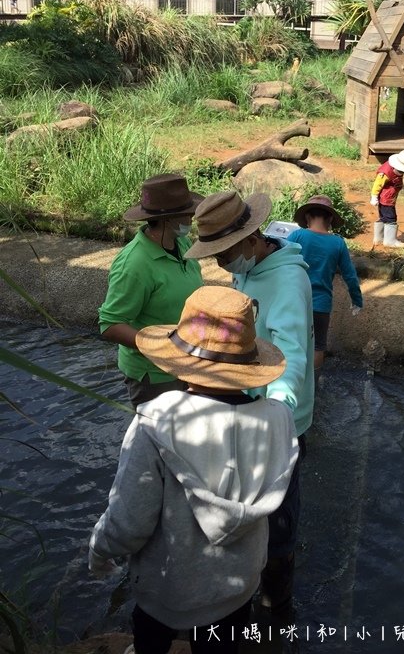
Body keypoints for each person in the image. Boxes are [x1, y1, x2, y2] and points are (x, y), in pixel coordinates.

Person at [89, 285, 298, 654]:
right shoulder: (277, 419)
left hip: (167, 590)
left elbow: (130, 520)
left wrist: (100, 549)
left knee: (150, 639)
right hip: (237, 586)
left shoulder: (158, 419)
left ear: (180, 362)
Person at [185, 190, 314, 615]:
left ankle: (277, 603)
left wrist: (277, 412)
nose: (221, 264)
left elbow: (292, 356)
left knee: (279, 519)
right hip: (247, 405)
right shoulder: (250, 267)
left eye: (225, 253)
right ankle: (247, 588)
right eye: (215, 255)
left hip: (280, 417)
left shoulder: (287, 280)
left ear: (252, 236)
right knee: (245, 509)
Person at [98, 173, 204, 408]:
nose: (192, 216)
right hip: (154, 375)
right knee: (160, 442)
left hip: (188, 364)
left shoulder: (181, 243)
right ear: (168, 219)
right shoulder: (134, 265)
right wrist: (161, 347)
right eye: (187, 212)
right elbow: (110, 324)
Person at [287, 194, 362, 382]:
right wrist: (357, 300)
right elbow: (350, 275)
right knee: (318, 345)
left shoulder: (297, 236)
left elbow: (280, 262)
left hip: (295, 300)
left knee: (291, 341)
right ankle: (313, 385)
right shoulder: (337, 243)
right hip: (321, 304)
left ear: (307, 217)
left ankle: (290, 382)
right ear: (329, 219)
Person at [370, 150, 404, 248]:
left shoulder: (395, 169)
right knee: (391, 218)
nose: (402, 173)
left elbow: (397, 179)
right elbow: (377, 184)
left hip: (388, 198)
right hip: (386, 200)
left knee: (384, 218)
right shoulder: (385, 173)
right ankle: (390, 241)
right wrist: (374, 196)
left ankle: (379, 238)